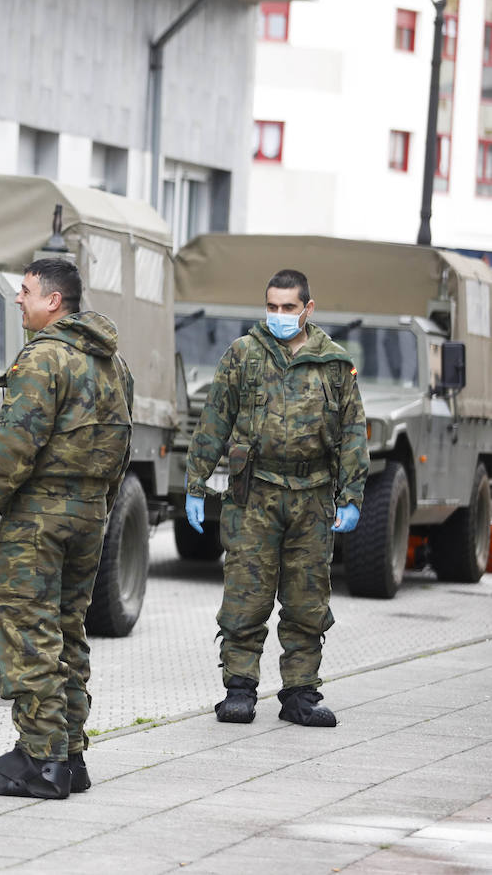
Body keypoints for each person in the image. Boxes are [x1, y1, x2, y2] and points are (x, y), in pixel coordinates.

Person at [0, 258, 132, 800]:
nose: (19, 300)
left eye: (26, 291)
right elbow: (122, 442)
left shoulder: (44, 359)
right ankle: (71, 754)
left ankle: (40, 758)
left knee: (29, 632)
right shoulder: (111, 363)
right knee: (67, 632)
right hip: (89, 516)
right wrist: (96, 504)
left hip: (38, 519)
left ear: (53, 301)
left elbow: (13, 446)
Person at [184, 268, 367, 728]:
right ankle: (239, 689)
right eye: (272, 306)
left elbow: (351, 434)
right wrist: (195, 482)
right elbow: (214, 422)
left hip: (312, 498)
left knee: (307, 600)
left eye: (289, 307)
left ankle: (300, 694)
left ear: (308, 308)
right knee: (246, 595)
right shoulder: (243, 355)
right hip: (255, 494)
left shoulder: (335, 365)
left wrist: (352, 496)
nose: (279, 315)